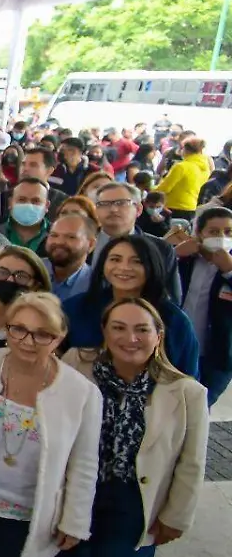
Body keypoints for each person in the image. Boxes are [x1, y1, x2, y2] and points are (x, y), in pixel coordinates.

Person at [0, 292, 102, 557]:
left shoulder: (82, 393)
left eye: (42, 334)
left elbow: (85, 463)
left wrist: (75, 520)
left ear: (60, 337)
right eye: (19, 329)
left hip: (30, 514)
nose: (27, 341)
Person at [62, 298, 209, 557]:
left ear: (158, 336)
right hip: (75, 494)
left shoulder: (187, 393)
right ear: (104, 332)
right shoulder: (76, 363)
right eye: (118, 328)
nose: (130, 338)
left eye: (142, 329)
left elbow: (192, 463)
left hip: (133, 504)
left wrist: (176, 517)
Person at [63, 235, 200, 378]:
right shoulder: (76, 308)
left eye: (137, 261)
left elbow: (188, 379)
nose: (124, 267)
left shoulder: (174, 320)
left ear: (152, 266)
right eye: (115, 259)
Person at [172, 206, 232, 404]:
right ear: (199, 234)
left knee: (200, 409)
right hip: (177, 350)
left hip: (218, 356)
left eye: (228, 232)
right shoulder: (185, 261)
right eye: (214, 232)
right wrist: (174, 255)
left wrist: (229, 272)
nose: (222, 237)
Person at [154, 137, 209, 221]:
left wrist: (150, 190)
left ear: (186, 150)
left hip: (174, 207)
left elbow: (165, 188)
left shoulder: (181, 166)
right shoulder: (205, 168)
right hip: (192, 207)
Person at [44, 214, 97, 302]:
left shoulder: (97, 285)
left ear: (91, 245)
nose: (59, 242)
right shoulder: (30, 270)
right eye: (54, 235)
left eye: (71, 237)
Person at [0, 178, 51, 255]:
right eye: (22, 200)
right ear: (10, 203)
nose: (28, 206)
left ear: (46, 206)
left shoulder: (57, 236)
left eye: (35, 201)